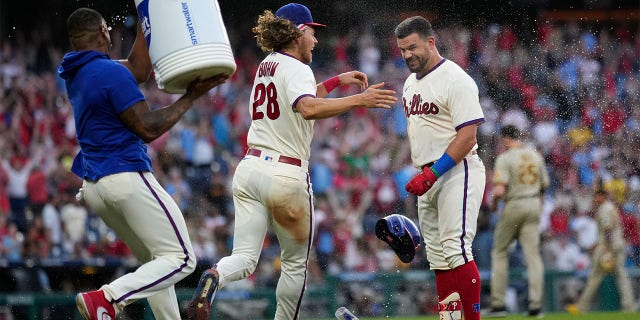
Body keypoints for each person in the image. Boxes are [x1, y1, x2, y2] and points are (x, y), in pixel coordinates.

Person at [186, 3, 397, 320]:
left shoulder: (266, 65)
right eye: (312, 32)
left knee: (243, 258)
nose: (315, 39)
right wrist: (360, 100)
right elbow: (308, 108)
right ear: (298, 33)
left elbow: (301, 98)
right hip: (285, 173)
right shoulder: (297, 68)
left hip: (250, 169)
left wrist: (338, 80)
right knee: (296, 264)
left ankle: (214, 276)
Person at [58, 7, 229, 320]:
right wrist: (191, 97)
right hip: (125, 176)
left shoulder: (78, 71)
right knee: (182, 259)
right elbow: (147, 128)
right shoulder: (108, 72)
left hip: (96, 187)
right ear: (102, 30)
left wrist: (148, 16)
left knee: (157, 260)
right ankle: (107, 299)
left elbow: (136, 69)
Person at [395, 16, 486, 320]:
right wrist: (425, 173)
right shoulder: (409, 83)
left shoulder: (455, 78)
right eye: (402, 50)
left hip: (456, 169)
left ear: (431, 42)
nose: (408, 54)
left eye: (413, 47)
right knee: (439, 260)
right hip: (427, 175)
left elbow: (468, 135)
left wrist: (434, 173)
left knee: (456, 249)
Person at [486, 125, 550, 317]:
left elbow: (499, 190)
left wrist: (495, 203)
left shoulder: (505, 158)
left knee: (499, 251)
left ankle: (499, 305)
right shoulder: (535, 155)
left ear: (505, 138)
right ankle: (536, 306)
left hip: (514, 204)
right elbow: (544, 186)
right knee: (533, 256)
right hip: (534, 203)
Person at [566, 189, 636, 314]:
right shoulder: (611, 207)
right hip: (617, 245)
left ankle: (582, 306)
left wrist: (607, 250)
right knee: (621, 277)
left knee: (595, 276)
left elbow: (607, 229)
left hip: (607, 247)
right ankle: (629, 306)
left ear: (602, 196)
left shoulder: (604, 208)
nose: (595, 199)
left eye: (597, 196)